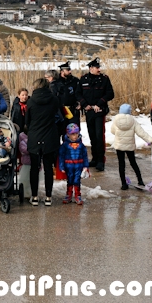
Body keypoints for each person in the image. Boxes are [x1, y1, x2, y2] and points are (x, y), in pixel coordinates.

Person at [24, 77, 61, 206]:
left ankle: (34, 196)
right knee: (48, 168)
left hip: (35, 136)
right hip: (50, 136)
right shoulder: (54, 100)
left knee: (34, 168)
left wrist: (31, 130)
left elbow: (27, 121)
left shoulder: (31, 101)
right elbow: (58, 116)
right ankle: (48, 197)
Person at [77, 57, 115, 172]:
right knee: (92, 135)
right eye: (97, 67)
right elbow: (78, 94)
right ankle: (94, 158)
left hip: (99, 111)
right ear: (91, 68)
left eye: (99, 67)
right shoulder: (83, 79)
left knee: (99, 136)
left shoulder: (104, 79)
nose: (99, 69)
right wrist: (84, 105)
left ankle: (100, 160)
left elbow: (110, 94)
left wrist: (99, 103)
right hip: (89, 111)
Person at [111, 103, 152, 190]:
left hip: (119, 146)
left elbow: (113, 131)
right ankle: (140, 181)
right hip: (129, 146)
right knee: (133, 163)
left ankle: (124, 184)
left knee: (121, 164)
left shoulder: (116, 120)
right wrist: (150, 140)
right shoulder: (133, 121)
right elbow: (141, 133)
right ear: (129, 112)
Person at [59, 123, 89, 205]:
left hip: (78, 166)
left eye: (76, 133)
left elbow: (85, 156)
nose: (75, 136)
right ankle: (68, 194)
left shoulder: (81, 145)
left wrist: (86, 166)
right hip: (69, 166)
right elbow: (61, 156)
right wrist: (61, 166)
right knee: (70, 180)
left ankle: (77, 195)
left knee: (77, 180)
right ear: (68, 135)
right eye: (72, 134)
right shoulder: (65, 145)